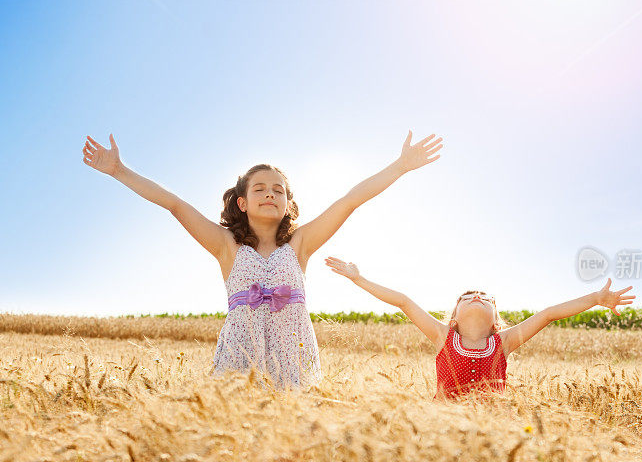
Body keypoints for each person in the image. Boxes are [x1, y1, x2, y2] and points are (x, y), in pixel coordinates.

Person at [82, 131, 443, 390]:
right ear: (242, 202)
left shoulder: (301, 244)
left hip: (293, 351)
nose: (270, 194)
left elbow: (350, 200)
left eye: (278, 190)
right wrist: (119, 171)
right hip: (242, 351)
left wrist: (400, 166)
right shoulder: (226, 246)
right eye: (259, 189)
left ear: (288, 203)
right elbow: (175, 204)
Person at [324, 257, 635, 400]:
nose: (476, 296)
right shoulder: (443, 336)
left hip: (491, 427)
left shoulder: (504, 342)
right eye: (467, 296)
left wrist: (596, 297)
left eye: (485, 297)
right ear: (454, 317)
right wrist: (358, 279)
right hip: (441, 423)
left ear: (496, 319)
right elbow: (404, 301)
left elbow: (550, 314)